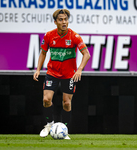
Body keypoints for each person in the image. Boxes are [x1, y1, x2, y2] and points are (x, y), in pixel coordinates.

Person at [33, 9, 90, 139]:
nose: (64, 22)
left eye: (66, 19)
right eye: (61, 20)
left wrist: (80, 69)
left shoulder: (74, 36)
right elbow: (43, 53)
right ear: (55, 22)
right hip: (52, 72)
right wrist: (38, 70)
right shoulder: (49, 35)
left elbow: (86, 54)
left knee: (66, 103)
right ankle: (49, 124)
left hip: (69, 74)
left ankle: (64, 130)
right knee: (46, 100)